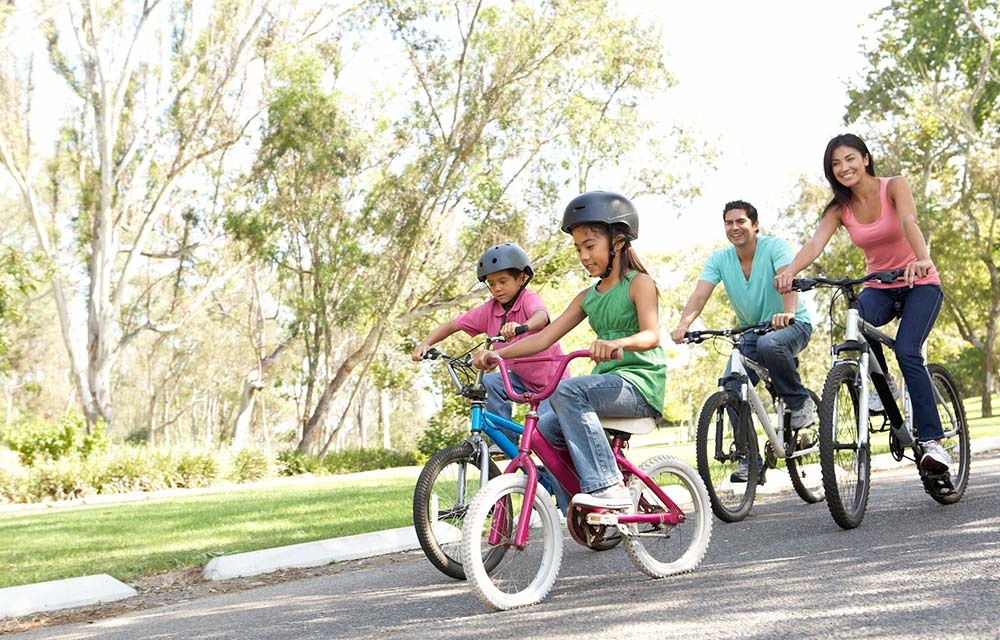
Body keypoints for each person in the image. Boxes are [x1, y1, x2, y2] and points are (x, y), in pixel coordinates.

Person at [472, 191, 666, 511]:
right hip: (604, 386)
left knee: (566, 391)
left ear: (617, 242)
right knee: (543, 433)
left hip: (639, 384)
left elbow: (651, 335)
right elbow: (544, 337)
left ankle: (608, 485)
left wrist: (617, 343)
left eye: (590, 246)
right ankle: (578, 509)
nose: (583, 255)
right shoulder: (587, 296)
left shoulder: (638, 283)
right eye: (578, 249)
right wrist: (499, 354)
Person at [774, 133, 949, 474]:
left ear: (865, 158)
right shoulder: (841, 208)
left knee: (908, 350)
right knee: (856, 317)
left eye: (849, 158)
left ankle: (933, 442)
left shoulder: (894, 186)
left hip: (919, 282)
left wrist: (923, 258)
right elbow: (815, 244)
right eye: (835, 164)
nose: (843, 167)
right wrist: (791, 271)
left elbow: (908, 221)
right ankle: (884, 389)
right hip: (879, 286)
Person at [670, 200, 814, 482]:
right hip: (752, 330)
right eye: (729, 222)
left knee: (769, 345)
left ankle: (799, 402)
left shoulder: (774, 247)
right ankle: (750, 460)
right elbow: (700, 296)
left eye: (741, 222)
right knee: (732, 387)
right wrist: (684, 324)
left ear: (755, 224)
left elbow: (788, 279)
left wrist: (787, 312)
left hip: (793, 324)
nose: (734, 227)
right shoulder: (719, 260)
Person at [411, 243, 566, 423]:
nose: (497, 288)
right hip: (521, 379)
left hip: (554, 383)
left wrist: (522, 326)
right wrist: (426, 343)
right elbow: (453, 325)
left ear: (521, 278)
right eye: (491, 284)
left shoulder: (528, 299)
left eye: (502, 281)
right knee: (489, 383)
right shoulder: (489, 310)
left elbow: (540, 316)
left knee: (546, 429)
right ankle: (504, 446)